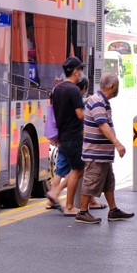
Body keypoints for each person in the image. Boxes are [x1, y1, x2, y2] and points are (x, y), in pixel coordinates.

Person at [75, 73, 134, 224]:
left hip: (102, 154)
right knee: (91, 181)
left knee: (109, 182)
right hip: (95, 153)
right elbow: (102, 125)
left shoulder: (101, 100)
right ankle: (82, 212)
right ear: (112, 86)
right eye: (117, 86)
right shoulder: (98, 101)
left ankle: (113, 210)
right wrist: (117, 143)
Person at [46, 75, 106, 211]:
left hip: (62, 138)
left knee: (61, 171)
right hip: (73, 140)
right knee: (79, 169)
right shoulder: (76, 100)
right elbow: (81, 117)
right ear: (83, 88)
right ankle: (59, 197)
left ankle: (53, 198)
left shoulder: (61, 93)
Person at [46, 56, 86, 216]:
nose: (81, 73)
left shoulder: (58, 89)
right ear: (76, 72)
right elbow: (80, 114)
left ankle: (55, 193)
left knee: (75, 170)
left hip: (62, 135)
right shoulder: (74, 90)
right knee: (77, 170)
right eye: (80, 70)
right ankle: (68, 206)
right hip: (73, 135)